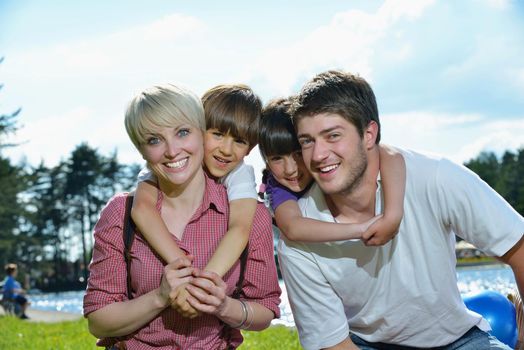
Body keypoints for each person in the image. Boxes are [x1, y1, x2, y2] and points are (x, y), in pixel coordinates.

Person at [277, 70, 524, 349]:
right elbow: (335, 345)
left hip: (458, 340)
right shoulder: (298, 241)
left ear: (369, 134)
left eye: (332, 136)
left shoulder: (436, 177)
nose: (318, 155)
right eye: (307, 141)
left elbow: (520, 248)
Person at [83, 83, 281, 349]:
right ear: (141, 151)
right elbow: (98, 322)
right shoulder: (121, 213)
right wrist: (159, 297)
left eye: (182, 133)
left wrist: (223, 306)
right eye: (154, 140)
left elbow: (264, 309)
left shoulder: (249, 212)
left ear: (199, 132)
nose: (172, 151)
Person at [131, 84, 261, 317]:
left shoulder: (239, 173)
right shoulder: (175, 161)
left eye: (240, 141)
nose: (226, 150)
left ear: (250, 148)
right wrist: (184, 269)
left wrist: (201, 288)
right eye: (217, 134)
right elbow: (141, 208)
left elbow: (240, 228)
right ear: (199, 130)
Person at [259, 97, 405, 245]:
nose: (290, 169)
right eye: (277, 158)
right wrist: (362, 229)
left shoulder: (322, 159)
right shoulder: (278, 187)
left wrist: (393, 216)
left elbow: (390, 154)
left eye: (298, 153)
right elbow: (292, 228)